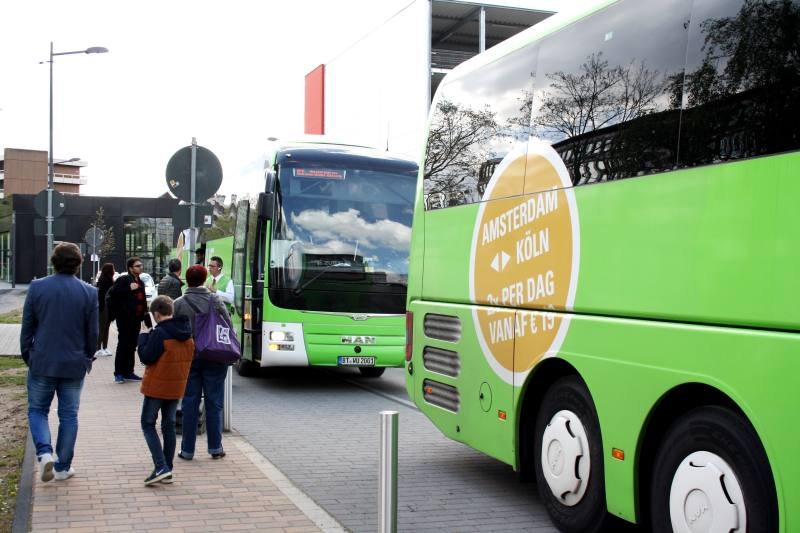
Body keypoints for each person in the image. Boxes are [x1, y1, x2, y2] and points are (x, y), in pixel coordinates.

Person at [20, 242, 99, 482]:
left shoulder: (37, 288)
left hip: (42, 360)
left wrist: (28, 355)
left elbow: (28, 327)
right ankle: (63, 467)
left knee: (37, 410)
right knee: (69, 414)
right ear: (79, 263)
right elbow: (93, 333)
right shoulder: (89, 292)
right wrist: (87, 357)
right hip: (74, 363)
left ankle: (44, 453)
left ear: (53, 262)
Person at [173, 265, 231, 460]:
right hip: (214, 356)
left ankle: (187, 450)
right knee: (214, 403)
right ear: (205, 278)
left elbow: (173, 331)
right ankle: (215, 448)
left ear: (187, 281)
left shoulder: (179, 303)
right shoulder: (214, 300)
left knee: (190, 402)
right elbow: (227, 324)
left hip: (189, 357)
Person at [137, 295, 194, 485]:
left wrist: (144, 336)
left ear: (156, 314)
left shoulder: (160, 333)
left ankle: (160, 466)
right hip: (176, 385)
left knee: (147, 423)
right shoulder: (187, 332)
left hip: (157, 385)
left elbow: (147, 357)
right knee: (168, 425)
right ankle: (167, 468)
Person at [107, 257, 148, 384]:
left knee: (132, 345)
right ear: (130, 268)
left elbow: (142, 300)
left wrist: (145, 316)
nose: (140, 267)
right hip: (124, 318)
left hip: (136, 318)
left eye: (141, 265)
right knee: (123, 344)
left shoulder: (140, 281)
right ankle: (118, 373)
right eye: (137, 266)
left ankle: (129, 371)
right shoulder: (124, 279)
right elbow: (113, 293)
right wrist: (129, 289)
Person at [95, 262, 116, 357]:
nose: (114, 270)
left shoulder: (108, 280)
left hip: (107, 307)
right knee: (102, 328)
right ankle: (98, 348)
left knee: (105, 328)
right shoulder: (104, 280)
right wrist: (101, 308)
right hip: (104, 308)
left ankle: (105, 347)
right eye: (113, 268)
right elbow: (101, 296)